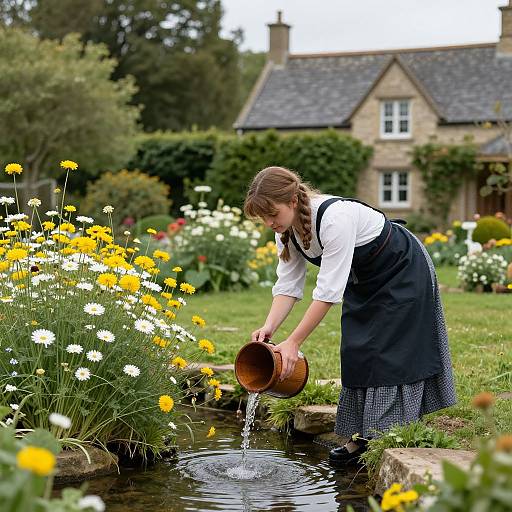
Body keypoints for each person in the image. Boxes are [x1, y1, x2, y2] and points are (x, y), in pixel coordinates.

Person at [244, 166, 456, 466]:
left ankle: (385, 434)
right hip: (365, 278)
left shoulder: (334, 218)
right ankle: (360, 433)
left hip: (403, 269)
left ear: (292, 200)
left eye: (272, 214)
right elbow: (288, 287)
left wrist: (293, 342)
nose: (269, 223)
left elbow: (328, 292)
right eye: (263, 218)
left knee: (392, 353)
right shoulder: (287, 232)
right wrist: (270, 327)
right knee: (357, 348)